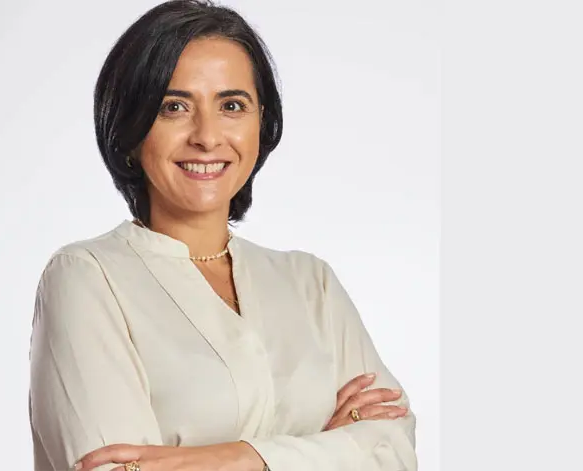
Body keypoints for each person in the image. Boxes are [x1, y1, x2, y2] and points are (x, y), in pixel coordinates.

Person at [28, 1, 417, 470]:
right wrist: (330, 450)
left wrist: (239, 458)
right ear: (131, 129)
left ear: (260, 122)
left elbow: (394, 453)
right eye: (174, 107)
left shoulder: (310, 283)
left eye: (231, 105)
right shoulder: (87, 279)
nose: (207, 136)